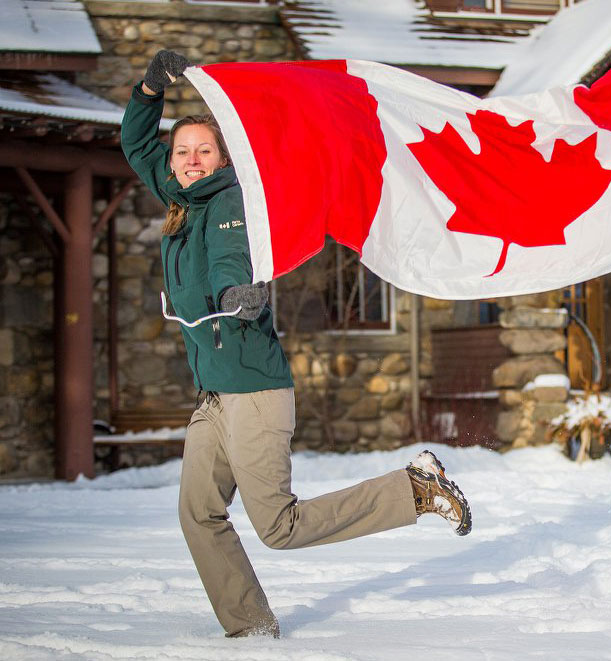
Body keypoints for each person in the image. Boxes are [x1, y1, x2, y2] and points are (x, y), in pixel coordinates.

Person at [121, 50, 471, 639]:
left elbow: (234, 257)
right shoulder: (181, 199)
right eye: (183, 151)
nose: (191, 160)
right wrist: (149, 89)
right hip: (214, 396)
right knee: (198, 514)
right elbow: (137, 145)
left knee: (279, 526)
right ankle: (250, 632)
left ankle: (413, 489)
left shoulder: (233, 201)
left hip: (254, 389)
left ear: (222, 157)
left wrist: (243, 292)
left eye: (204, 149)